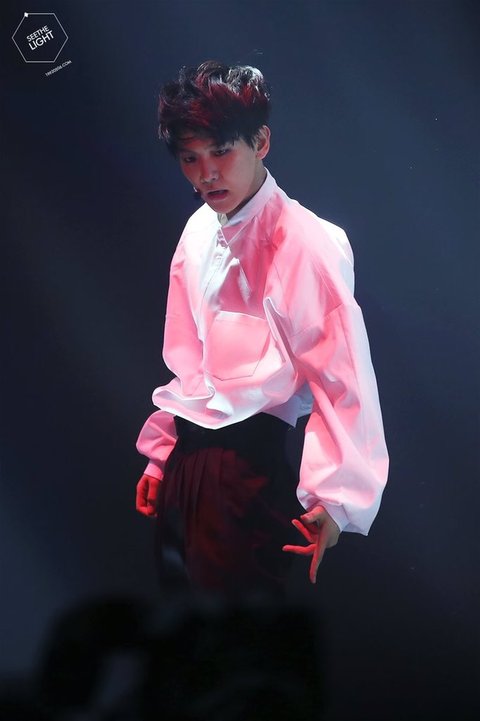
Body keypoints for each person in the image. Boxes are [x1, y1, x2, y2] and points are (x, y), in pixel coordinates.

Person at [135, 60, 389, 598]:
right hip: (187, 468)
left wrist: (335, 501)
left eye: (221, 152)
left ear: (262, 142)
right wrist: (163, 456)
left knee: (230, 635)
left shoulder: (304, 243)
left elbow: (343, 379)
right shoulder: (199, 230)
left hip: (245, 472)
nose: (206, 174)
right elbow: (188, 363)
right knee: (175, 629)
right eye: (190, 158)